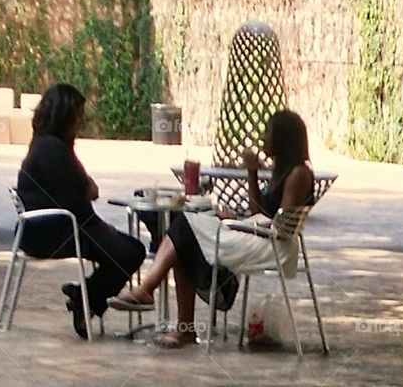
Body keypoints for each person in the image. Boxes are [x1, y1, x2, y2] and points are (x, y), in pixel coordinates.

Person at [109, 109, 314, 348]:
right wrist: (251, 175)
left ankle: (151, 295)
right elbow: (259, 210)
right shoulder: (281, 171)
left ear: (283, 137)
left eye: (268, 131)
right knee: (185, 230)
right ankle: (176, 320)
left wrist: (239, 223)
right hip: (261, 236)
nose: (263, 138)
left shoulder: (299, 173)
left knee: (185, 229)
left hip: (275, 247)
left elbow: (279, 227)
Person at [16, 82, 146, 338]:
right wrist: (96, 217)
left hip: (60, 226)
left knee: (128, 249)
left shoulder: (49, 145)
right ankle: (87, 300)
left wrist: (88, 196)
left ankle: (85, 298)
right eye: (77, 116)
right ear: (65, 117)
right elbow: (77, 199)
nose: (80, 122)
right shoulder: (52, 149)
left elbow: (83, 189)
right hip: (53, 232)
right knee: (130, 252)